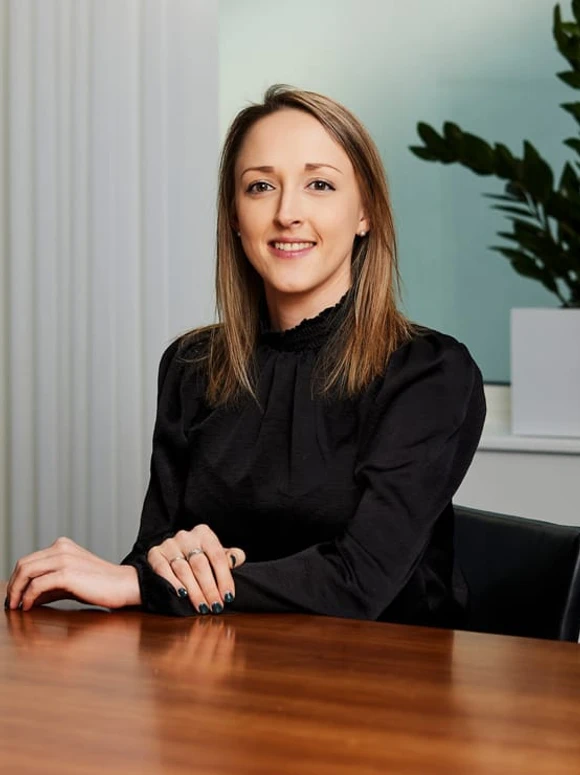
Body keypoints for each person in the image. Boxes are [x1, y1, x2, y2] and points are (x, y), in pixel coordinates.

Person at [5, 85, 486, 627]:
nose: (287, 213)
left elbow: (361, 583)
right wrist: (164, 564)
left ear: (365, 213)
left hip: (385, 687)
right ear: (235, 216)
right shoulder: (191, 366)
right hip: (222, 679)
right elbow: (155, 559)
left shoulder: (429, 372)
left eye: (319, 185)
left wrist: (148, 583)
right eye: (260, 187)